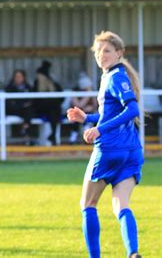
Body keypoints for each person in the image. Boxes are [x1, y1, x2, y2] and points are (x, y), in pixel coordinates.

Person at [67, 31, 143, 258]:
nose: (101, 55)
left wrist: (99, 129)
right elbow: (112, 113)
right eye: (98, 51)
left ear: (119, 53)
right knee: (121, 205)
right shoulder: (114, 75)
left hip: (110, 150)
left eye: (107, 50)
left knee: (88, 204)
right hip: (132, 152)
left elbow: (132, 110)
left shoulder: (115, 77)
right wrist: (88, 119)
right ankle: (133, 252)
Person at [33, 60, 63, 145]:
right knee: (54, 107)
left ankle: (53, 134)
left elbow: (61, 96)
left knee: (55, 109)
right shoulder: (37, 82)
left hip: (52, 109)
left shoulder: (52, 82)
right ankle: (53, 135)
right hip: (40, 108)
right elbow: (35, 98)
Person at [4, 69, 34, 144]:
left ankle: (25, 131)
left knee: (29, 110)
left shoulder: (27, 87)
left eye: (20, 76)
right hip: (14, 110)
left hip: (25, 110)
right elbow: (9, 103)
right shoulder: (9, 87)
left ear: (23, 77)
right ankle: (25, 133)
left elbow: (32, 100)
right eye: (16, 76)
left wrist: (24, 104)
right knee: (27, 110)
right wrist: (21, 104)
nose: (18, 78)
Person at [69, 72, 97, 144]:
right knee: (76, 115)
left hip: (87, 113)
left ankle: (88, 137)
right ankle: (73, 138)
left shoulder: (91, 91)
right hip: (76, 113)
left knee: (88, 115)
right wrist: (88, 94)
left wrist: (90, 108)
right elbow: (79, 105)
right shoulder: (74, 91)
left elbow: (95, 105)